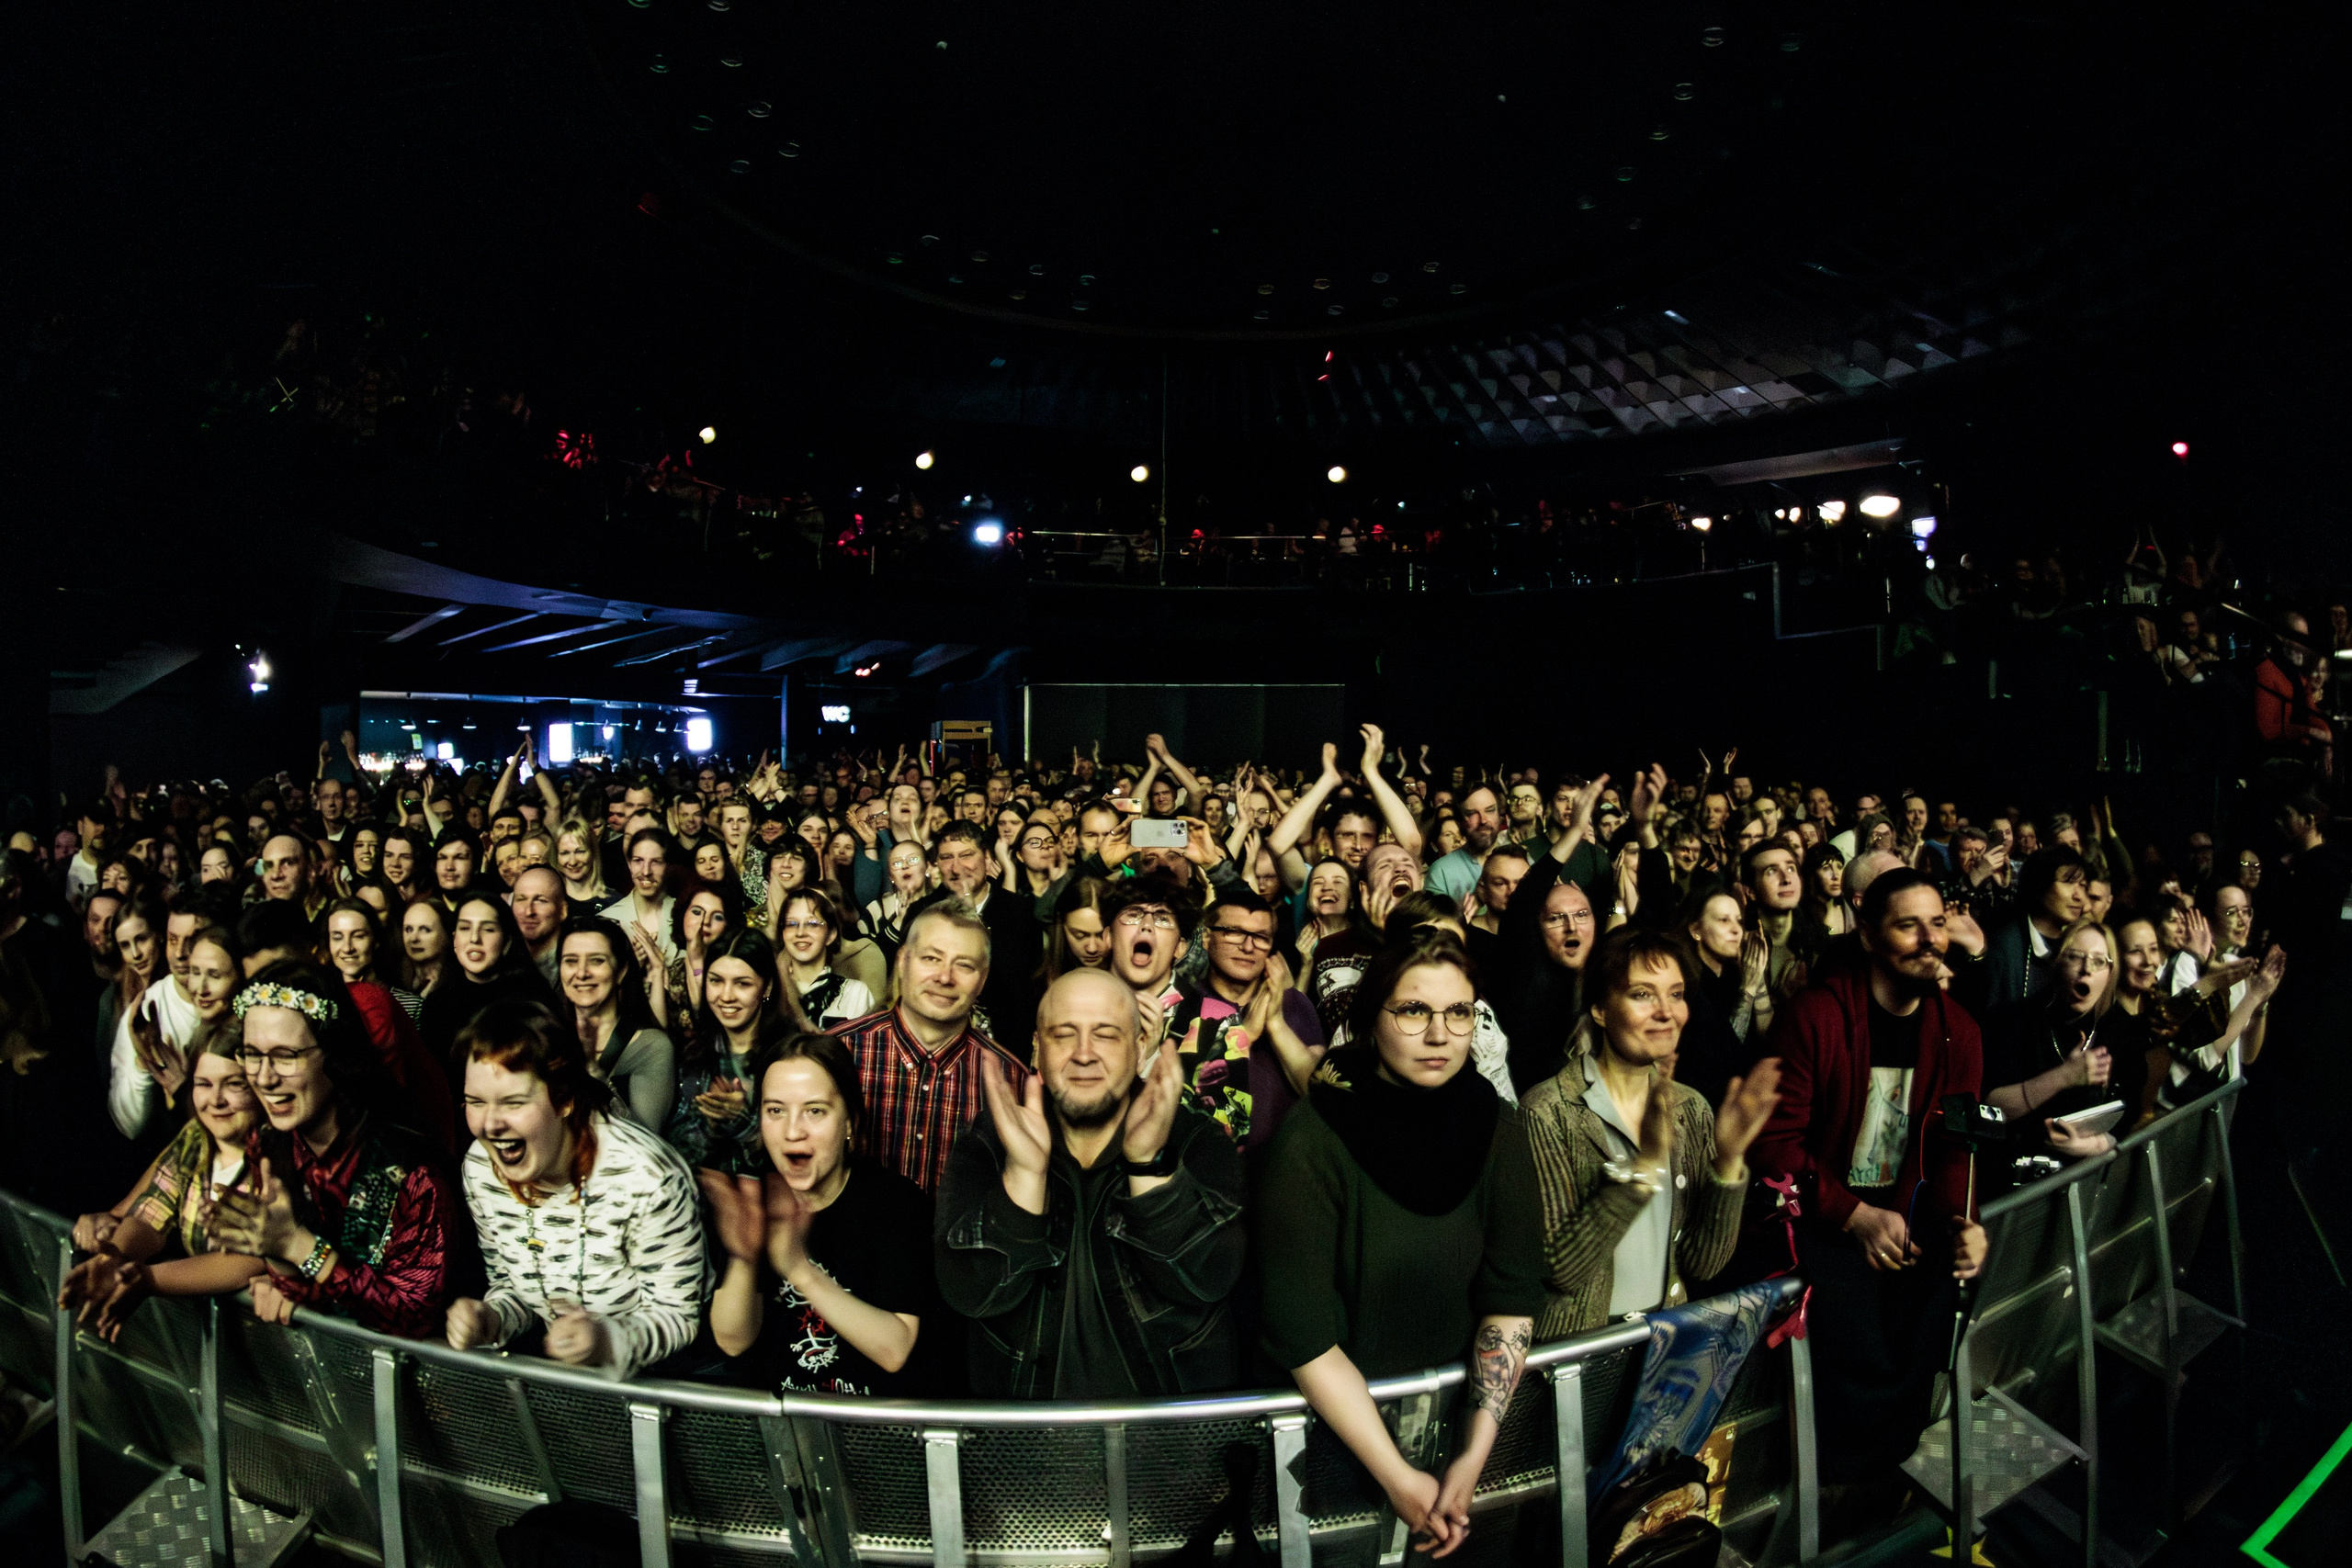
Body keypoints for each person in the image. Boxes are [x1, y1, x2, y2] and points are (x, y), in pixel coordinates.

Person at [1254, 930, 1542, 1556]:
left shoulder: (1495, 1122)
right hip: (1340, 1455)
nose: (1440, 1034)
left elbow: (1512, 1293)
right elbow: (1301, 1330)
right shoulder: (1315, 1136)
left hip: (1463, 1447)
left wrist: (1472, 1454)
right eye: (1413, 1010)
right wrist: (1396, 1476)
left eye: (1459, 1012)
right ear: (1369, 1017)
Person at [1749, 870, 1987, 1499]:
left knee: (1939, 1305)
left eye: (1937, 923)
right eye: (1909, 925)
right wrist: (1853, 1214)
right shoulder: (1817, 1017)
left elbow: (1954, 1145)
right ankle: (1833, 1497)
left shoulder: (1958, 1029)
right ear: (1868, 935)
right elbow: (1775, 1143)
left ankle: (1893, 1479)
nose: (1930, 939)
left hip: (1906, 1219)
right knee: (1853, 1344)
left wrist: (1967, 1222)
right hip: (1823, 1221)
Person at [936, 967, 1246, 1397]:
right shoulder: (989, 1143)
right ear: (1037, 1049)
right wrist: (1026, 1176)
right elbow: (975, 1293)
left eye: (1105, 1034)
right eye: (1064, 1034)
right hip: (1026, 1442)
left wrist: (1148, 1165)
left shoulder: (1194, 1138)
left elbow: (1206, 1277)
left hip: (1166, 1437)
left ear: (1141, 1049)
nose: (1084, 1054)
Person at [1520, 930, 1780, 1337]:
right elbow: (1561, 1271)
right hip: (1575, 1355)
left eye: (1676, 994)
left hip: (1661, 1341)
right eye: (1643, 994)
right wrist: (1643, 1170)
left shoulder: (1690, 1108)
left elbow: (1702, 1264)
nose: (1666, 1012)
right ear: (1601, 1009)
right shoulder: (1549, 1111)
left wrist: (1729, 1161)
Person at [445, 1001, 707, 1377]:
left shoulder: (646, 1177)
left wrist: (605, 1340)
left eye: (513, 1103)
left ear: (565, 1098)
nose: (490, 1124)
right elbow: (512, 1284)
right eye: (475, 1102)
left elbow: (678, 1316)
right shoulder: (481, 1169)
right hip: (569, 1385)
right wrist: (490, 1319)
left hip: (664, 1385)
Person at [207, 961, 463, 1337]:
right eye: (252, 1055)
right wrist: (276, 1261)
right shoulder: (270, 1143)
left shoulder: (409, 1168)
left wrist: (298, 1246)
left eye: (285, 1056)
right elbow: (307, 1294)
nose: (265, 1077)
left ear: (334, 1052)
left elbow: (413, 1316)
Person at [706, 1032, 936, 1395]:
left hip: (872, 1434)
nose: (793, 1132)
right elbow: (732, 1340)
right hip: (785, 1432)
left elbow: (895, 1349)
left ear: (849, 1122)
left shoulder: (897, 1204)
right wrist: (744, 1259)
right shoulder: (754, 1201)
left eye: (815, 1111)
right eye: (775, 1111)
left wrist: (799, 1269)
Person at [58, 1030, 265, 1340]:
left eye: (234, 1084)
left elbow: (249, 1257)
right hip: (214, 1341)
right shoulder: (196, 1137)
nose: (216, 1100)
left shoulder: (277, 1152)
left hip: (269, 1339)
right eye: (203, 1084)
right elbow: (151, 1214)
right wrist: (114, 1258)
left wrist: (149, 1278)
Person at [831, 900, 1030, 1194]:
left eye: (964, 965)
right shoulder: (839, 1052)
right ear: (902, 961)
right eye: (931, 958)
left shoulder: (1011, 1080)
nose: (945, 977)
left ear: (983, 979)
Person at [1163, 884, 1325, 1154]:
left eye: (1261, 936)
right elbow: (1183, 1102)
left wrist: (1276, 1025)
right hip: (1212, 1173)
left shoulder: (1294, 1003)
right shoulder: (1181, 1006)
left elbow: (1319, 1094)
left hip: (1290, 1169)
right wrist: (1245, 1034)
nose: (1248, 946)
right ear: (1206, 938)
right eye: (1233, 932)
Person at [665, 927, 797, 1169]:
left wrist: (743, 1121)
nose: (726, 996)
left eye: (742, 984)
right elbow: (678, 1152)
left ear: (766, 988)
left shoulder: (791, 1056)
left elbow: (795, 1154)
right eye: (716, 981)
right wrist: (712, 1124)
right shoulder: (694, 1054)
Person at [417, 893, 552, 1085]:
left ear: (506, 942)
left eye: (488, 929)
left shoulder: (533, 999)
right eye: (465, 928)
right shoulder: (436, 1004)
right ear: (454, 939)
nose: (474, 938)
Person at [557, 916, 677, 1131]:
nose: (582, 973)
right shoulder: (546, 1037)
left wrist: (592, 1071)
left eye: (596, 960)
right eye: (571, 961)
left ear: (621, 972)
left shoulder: (652, 1046)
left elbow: (645, 1139)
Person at [775, 888, 877, 1028]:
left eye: (812, 924)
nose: (800, 932)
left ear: (831, 935)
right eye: (791, 924)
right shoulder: (772, 992)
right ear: (782, 933)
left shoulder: (854, 993)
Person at [511, 865, 569, 989]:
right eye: (521, 899)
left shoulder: (575, 967)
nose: (529, 911)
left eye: (540, 900)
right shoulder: (501, 963)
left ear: (563, 911)